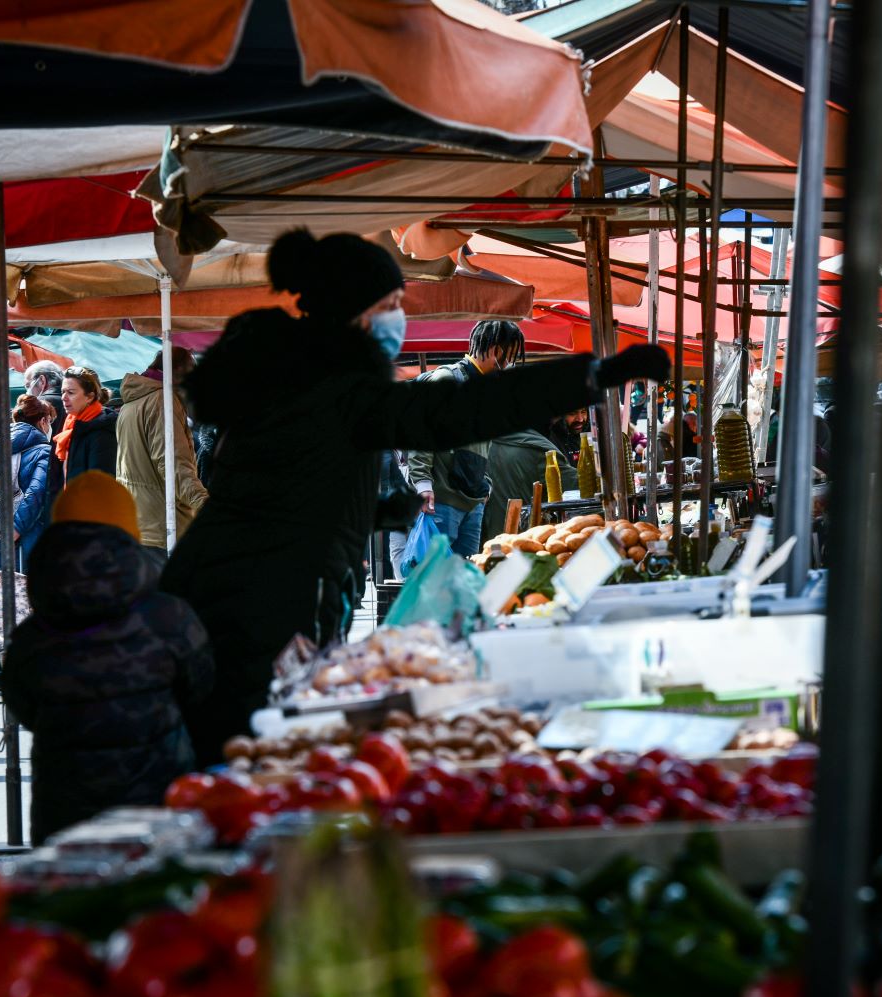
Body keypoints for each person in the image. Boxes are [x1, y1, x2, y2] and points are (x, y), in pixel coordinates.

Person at [163, 228, 670, 763]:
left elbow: (279, 484)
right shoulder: (332, 384)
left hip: (238, 581)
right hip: (262, 600)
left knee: (245, 742)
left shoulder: (293, 376)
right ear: (355, 310)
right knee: (246, 752)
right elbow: (455, 412)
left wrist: (376, 513)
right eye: (389, 305)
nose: (396, 318)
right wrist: (593, 376)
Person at [3, 473, 214, 843]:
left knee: (73, 899)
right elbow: (200, 688)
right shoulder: (169, 617)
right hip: (158, 807)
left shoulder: (31, 638)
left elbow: (22, 704)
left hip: (65, 818)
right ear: (128, 534)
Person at [407, 321, 526, 558]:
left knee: (464, 581)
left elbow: (484, 447)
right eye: (510, 357)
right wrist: (422, 484)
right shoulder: (447, 380)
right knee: (436, 580)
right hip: (440, 504)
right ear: (494, 351)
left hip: (473, 505)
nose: (510, 365)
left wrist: (486, 486)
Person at [116, 346, 209, 560]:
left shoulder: (132, 402)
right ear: (177, 372)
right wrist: (205, 504)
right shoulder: (161, 401)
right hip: (163, 526)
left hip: (141, 521)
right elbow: (173, 465)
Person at [0, 394, 59, 572]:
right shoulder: (43, 452)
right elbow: (36, 492)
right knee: (25, 594)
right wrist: (16, 528)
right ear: (43, 421)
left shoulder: (2, 447)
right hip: (24, 538)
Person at [483, 420, 578, 541]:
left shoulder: (494, 441)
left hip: (494, 532)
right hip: (519, 535)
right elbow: (572, 482)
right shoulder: (536, 448)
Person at [56, 365, 120, 483]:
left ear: (90, 396)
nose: (63, 398)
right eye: (62, 392)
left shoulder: (102, 431)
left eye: (70, 392)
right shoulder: (71, 425)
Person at [25, 359, 68, 428]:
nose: (27, 392)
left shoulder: (37, 404)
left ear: (42, 381)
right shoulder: (71, 401)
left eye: (28, 386)